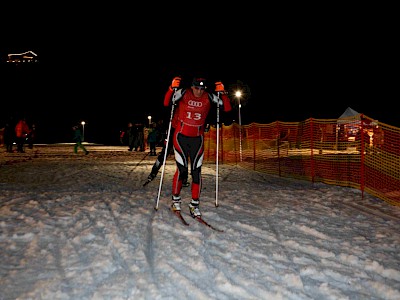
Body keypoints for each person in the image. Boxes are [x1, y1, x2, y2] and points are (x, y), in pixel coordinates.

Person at [166, 76, 232, 218]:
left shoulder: (208, 96)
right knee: (182, 170)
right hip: (180, 137)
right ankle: (176, 200)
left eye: (202, 88)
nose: (199, 91)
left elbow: (227, 108)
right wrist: (171, 88)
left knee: (196, 172)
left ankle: (194, 204)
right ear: (192, 87)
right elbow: (167, 102)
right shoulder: (184, 93)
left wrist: (223, 92)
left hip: (197, 139)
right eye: (196, 88)